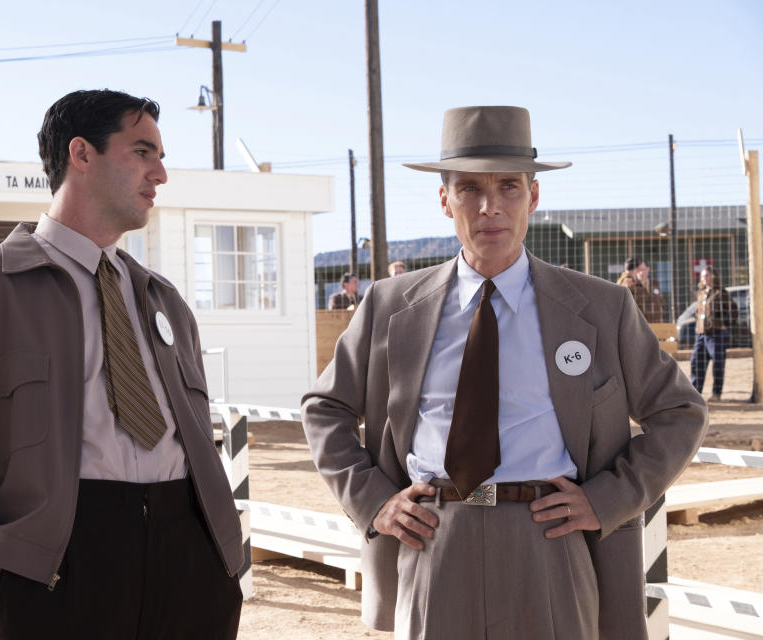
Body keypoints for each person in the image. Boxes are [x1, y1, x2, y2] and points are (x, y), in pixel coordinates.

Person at [301, 106, 707, 639]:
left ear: (533, 198)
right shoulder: (390, 305)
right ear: (444, 200)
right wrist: (373, 500)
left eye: (509, 187)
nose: (490, 206)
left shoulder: (600, 308)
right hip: (432, 539)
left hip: (550, 543)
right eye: (469, 188)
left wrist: (607, 498)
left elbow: (680, 412)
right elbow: (324, 408)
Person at [0, 89, 244, 639]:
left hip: (191, 573)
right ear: (81, 154)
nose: (161, 173)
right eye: (142, 152)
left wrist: (220, 567)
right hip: (50, 582)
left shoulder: (164, 300)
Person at [690, 266, 737, 402]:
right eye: (702, 276)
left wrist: (726, 324)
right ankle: (695, 393)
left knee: (717, 364)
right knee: (696, 361)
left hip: (715, 335)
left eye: (707, 275)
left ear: (713, 277)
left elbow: (733, 310)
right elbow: (697, 312)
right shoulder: (701, 293)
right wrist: (698, 322)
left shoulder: (720, 293)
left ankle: (716, 393)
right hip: (701, 334)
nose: (704, 278)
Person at [616, 257, 666, 322]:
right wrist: (627, 287)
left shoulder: (655, 284)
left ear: (648, 269)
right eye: (638, 270)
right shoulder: (631, 284)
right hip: (640, 324)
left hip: (658, 322)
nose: (641, 273)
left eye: (643, 269)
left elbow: (662, 302)